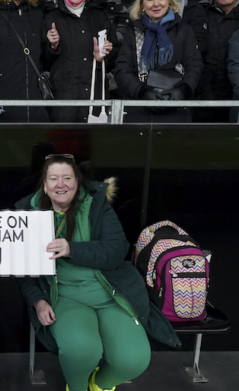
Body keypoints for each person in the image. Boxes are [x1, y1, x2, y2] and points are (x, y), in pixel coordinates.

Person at [16, 154, 179, 391]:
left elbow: (117, 250)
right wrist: (38, 300)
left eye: (67, 178)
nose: (60, 184)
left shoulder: (96, 206)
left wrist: (72, 249)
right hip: (64, 296)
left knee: (134, 360)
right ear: (45, 184)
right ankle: (77, 388)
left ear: (77, 182)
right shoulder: (26, 213)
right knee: (82, 351)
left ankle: (98, 385)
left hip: (109, 293)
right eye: (53, 178)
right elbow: (21, 270)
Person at [114, 0, 203, 123]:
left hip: (176, 108)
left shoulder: (184, 30)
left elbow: (195, 65)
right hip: (139, 108)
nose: (156, 3)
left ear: (169, 2)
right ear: (142, 5)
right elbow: (122, 70)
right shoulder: (133, 31)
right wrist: (143, 93)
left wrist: (182, 91)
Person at [43, 0, 116, 123]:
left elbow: (114, 61)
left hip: (96, 100)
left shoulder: (100, 17)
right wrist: (53, 46)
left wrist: (103, 57)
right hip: (64, 102)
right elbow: (44, 63)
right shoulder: (51, 19)